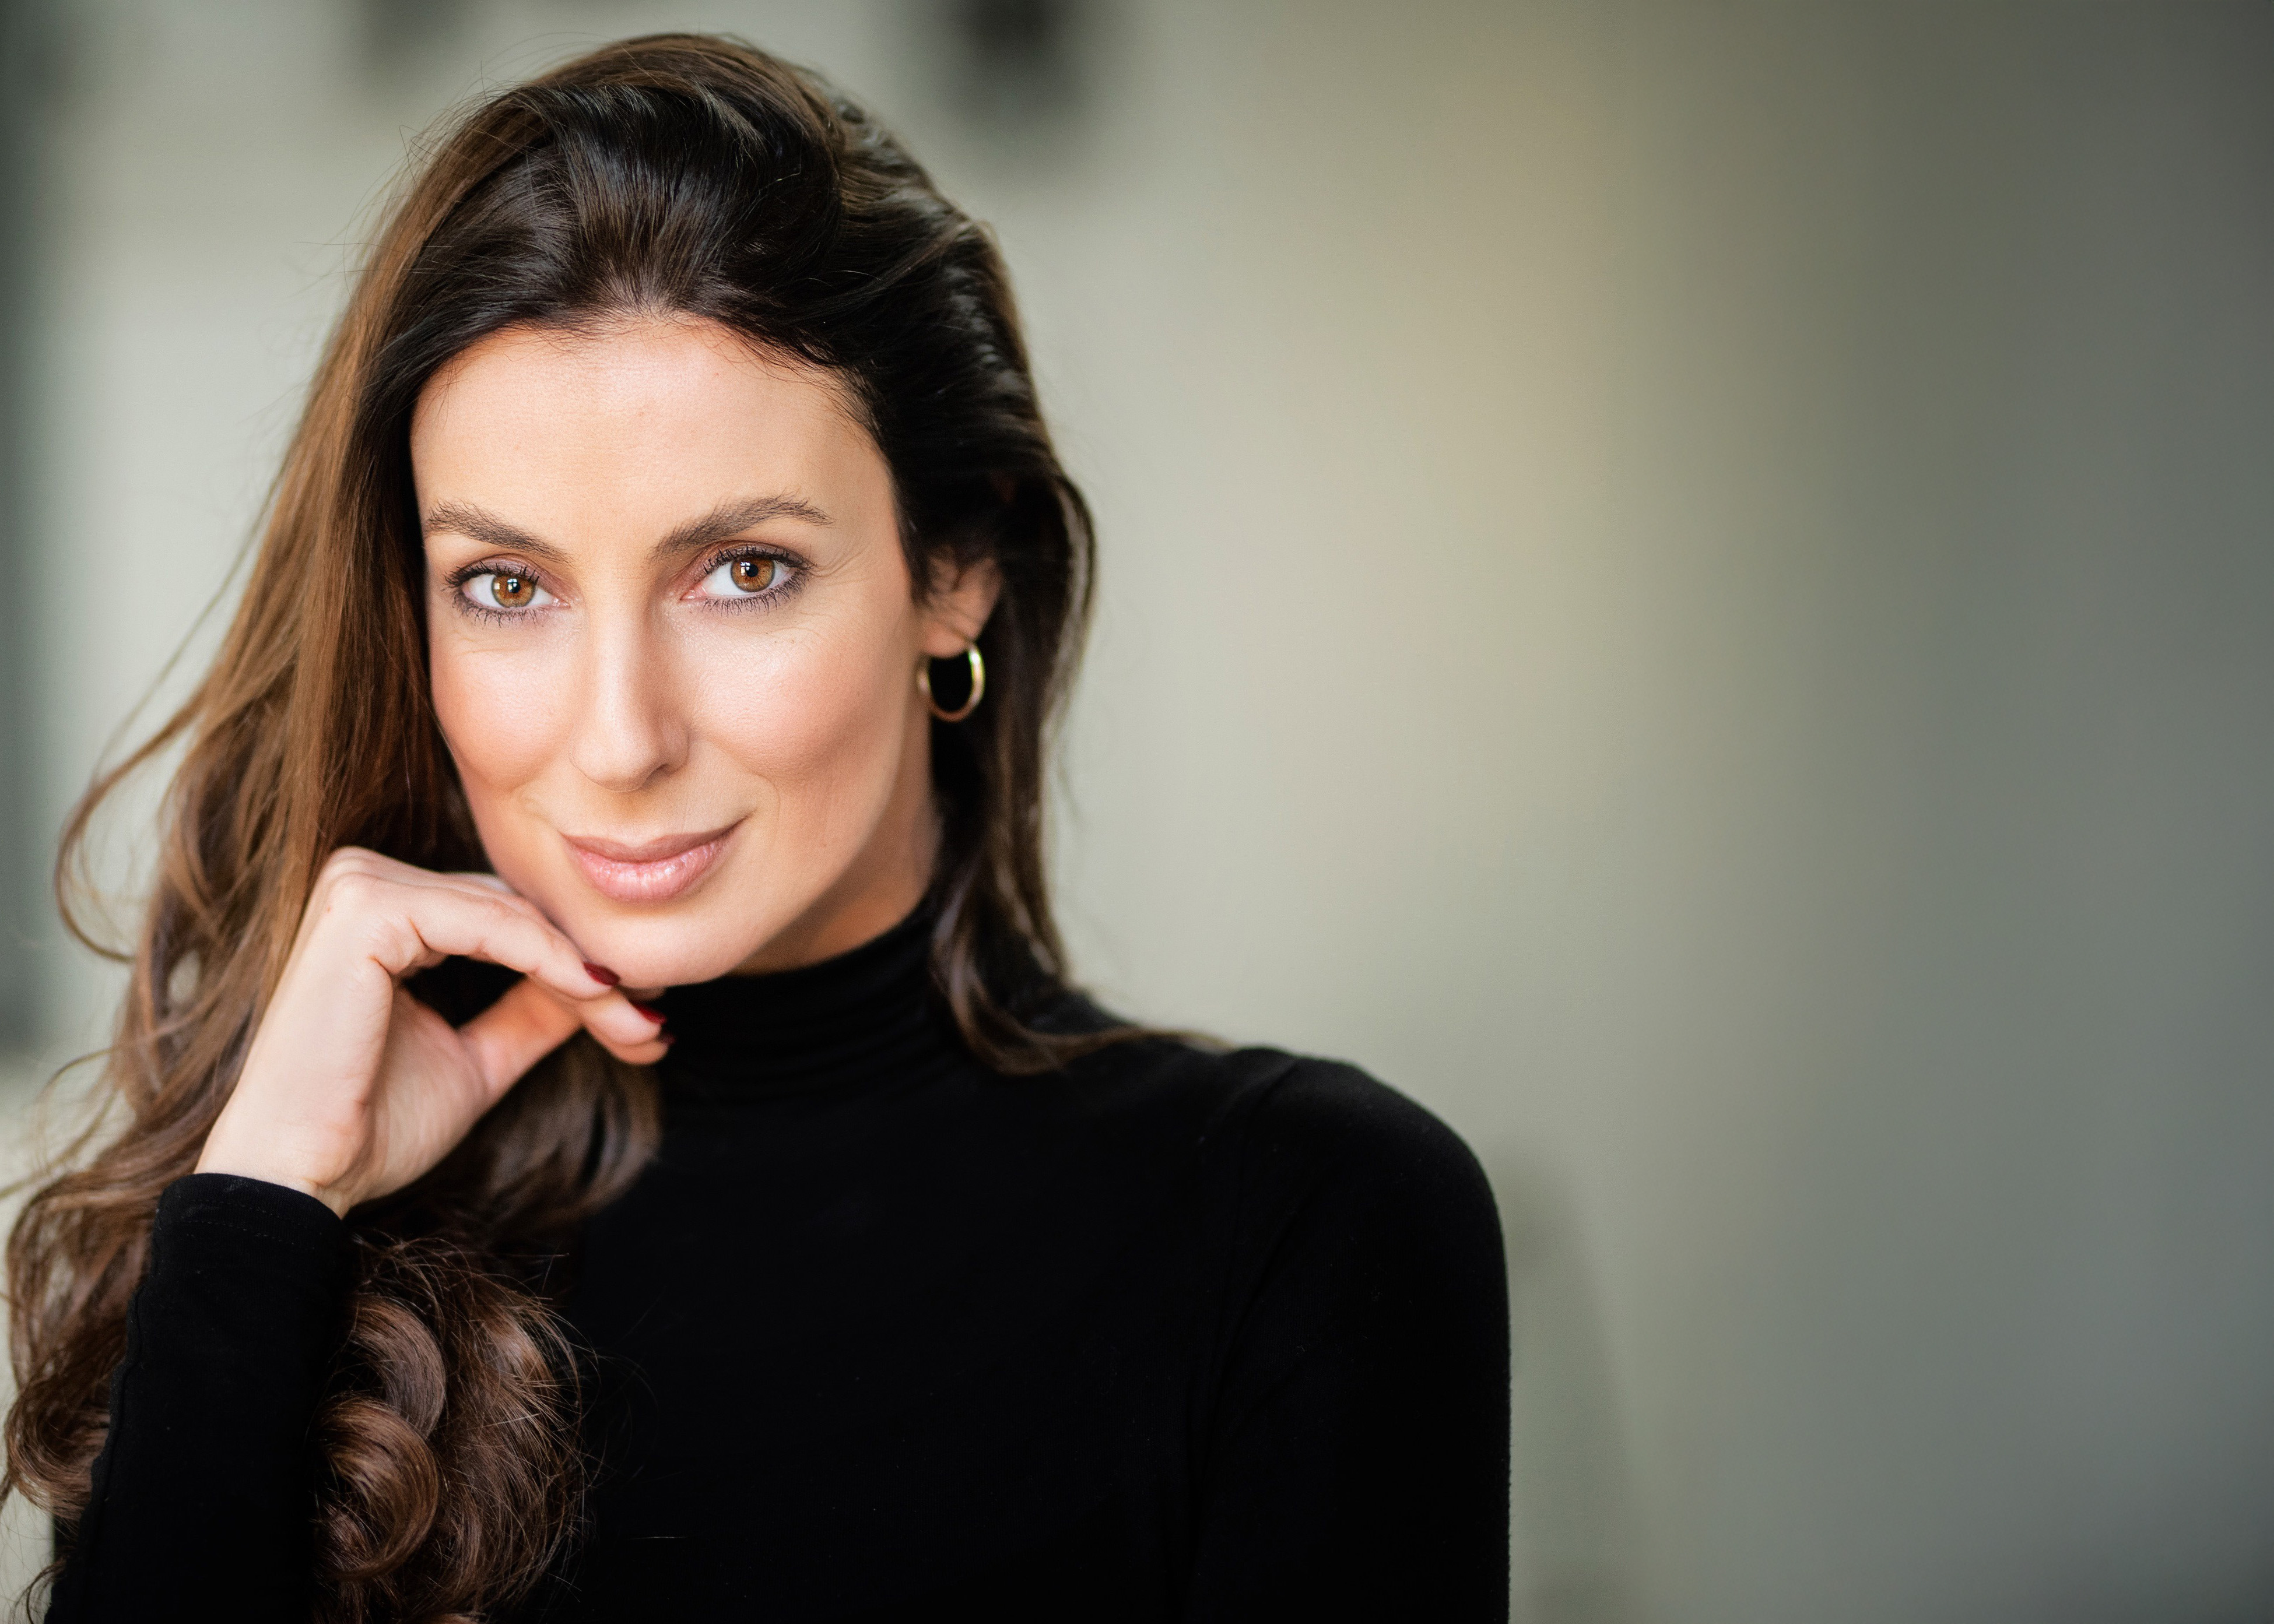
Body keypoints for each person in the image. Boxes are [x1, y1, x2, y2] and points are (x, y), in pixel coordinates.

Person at [4, 34, 1508, 1623]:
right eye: (506, 587)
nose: (619, 736)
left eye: (741, 571)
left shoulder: (1308, 1229)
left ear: (955, 570)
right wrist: (263, 1205)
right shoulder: (301, 1239)